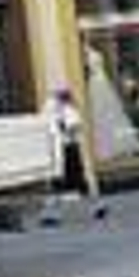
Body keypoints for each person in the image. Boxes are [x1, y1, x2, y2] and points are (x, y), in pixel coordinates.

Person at [40, 87, 107, 226]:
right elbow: (51, 128)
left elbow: (72, 128)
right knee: (61, 183)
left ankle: (97, 205)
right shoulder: (56, 110)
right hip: (64, 150)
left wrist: (63, 127)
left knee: (63, 183)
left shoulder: (68, 110)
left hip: (69, 150)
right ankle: (51, 213)